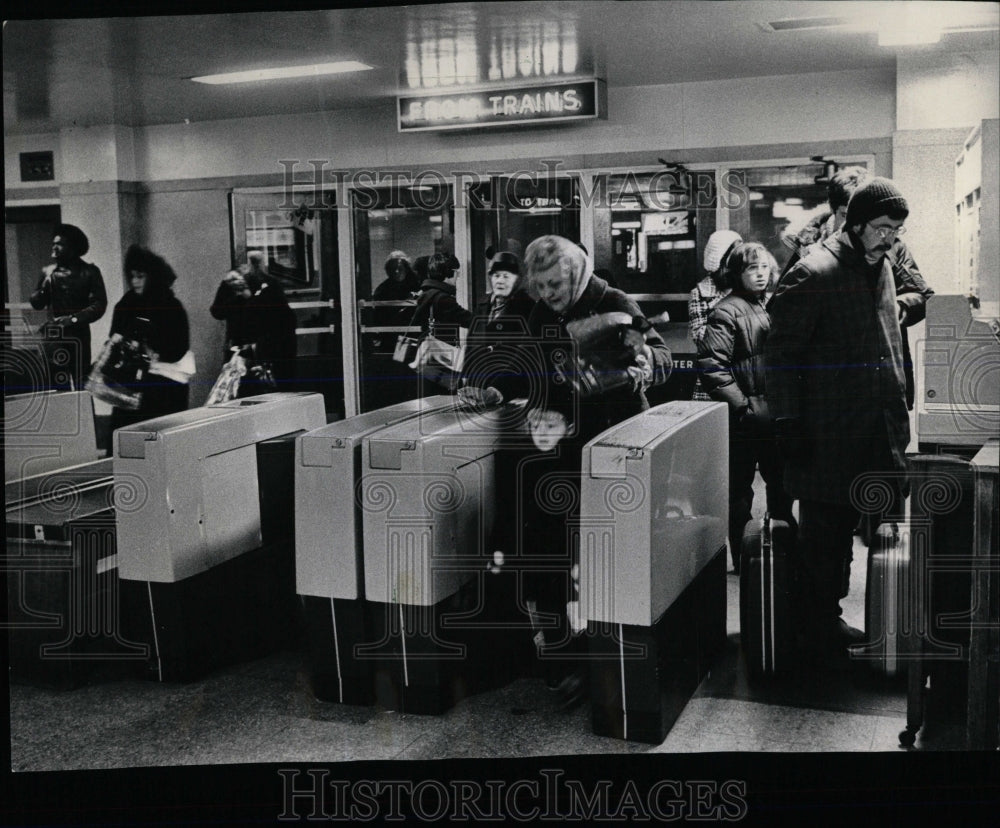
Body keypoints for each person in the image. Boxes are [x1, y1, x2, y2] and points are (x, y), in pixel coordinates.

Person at [492, 235, 673, 708]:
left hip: (611, 444)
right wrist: (493, 388)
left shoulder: (614, 302)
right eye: (540, 286)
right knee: (550, 547)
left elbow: (659, 356)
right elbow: (523, 369)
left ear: (575, 273)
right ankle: (561, 656)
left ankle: (604, 655)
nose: (547, 293)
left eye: (554, 283)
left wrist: (643, 365)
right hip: (556, 448)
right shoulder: (538, 314)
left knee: (604, 554)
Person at [765, 177, 913, 659]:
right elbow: (781, 355)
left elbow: (890, 338)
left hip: (880, 429)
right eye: (883, 228)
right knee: (826, 544)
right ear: (856, 222)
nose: (891, 238)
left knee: (887, 537)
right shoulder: (813, 272)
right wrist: (788, 425)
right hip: (828, 435)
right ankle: (818, 630)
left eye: (896, 229)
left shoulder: (884, 266)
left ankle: (887, 627)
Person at [782, 166, 933, 409]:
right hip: (832, 389)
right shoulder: (808, 251)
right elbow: (783, 333)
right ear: (834, 211)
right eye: (845, 213)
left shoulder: (891, 245)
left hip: (883, 378)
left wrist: (894, 309)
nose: (852, 222)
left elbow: (923, 294)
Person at [697, 242, 795, 573]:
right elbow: (712, 366)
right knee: (740, 493)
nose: (761, 274)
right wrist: (743, 409)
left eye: (764, 268)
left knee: (781, 486)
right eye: (752, 269)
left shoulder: (765, 305)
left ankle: (779, 554)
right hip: (746, 421)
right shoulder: (726, 310)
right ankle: (744, 560)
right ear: (737, 274)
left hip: (770, 417)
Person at [108, 245, 190, 430]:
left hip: (162, 384)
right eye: (132, 276)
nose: (135, 281)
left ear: (152, 276)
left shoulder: (171, 306)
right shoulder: (127, 303)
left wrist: (150, 347)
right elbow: (115, 334)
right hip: (133, 382)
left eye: (140, 276)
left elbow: (179, 346)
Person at [29, 223, 108, 390]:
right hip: (53, 337)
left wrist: (73, 319)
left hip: (77, 335)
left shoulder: (89, 272)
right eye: (53, 243)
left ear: (72, 248)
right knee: (57, 385)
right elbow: (36, 303)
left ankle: (84, 416)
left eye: (60, 244)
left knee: (81, 384)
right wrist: (44, 286)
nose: (54, 248)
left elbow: (99, 305)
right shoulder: (48, 272)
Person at [460, 251, 535, 405]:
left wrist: (495, 391)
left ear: (518, 279)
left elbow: (525, 357)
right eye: (496, 276)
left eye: (506, 276)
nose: (500, 281)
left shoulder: (528, 309)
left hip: (510, 394)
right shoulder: (482, 306)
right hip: (477, 391)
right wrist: (465, 378)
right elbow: (471, 346)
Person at [405, 252, 473, 395]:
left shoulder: (427, 293)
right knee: (445, 397)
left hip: (427, 361)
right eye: (457, 273)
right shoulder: (442, 298)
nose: (457, 277)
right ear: (449, 273)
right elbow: (469, 320)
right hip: (440, 361)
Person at [688, 229, 742, 401]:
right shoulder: (700, 293)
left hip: (743, 375)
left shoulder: (744, 288)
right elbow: (700, 337)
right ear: (720, 259)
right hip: (713, 377)